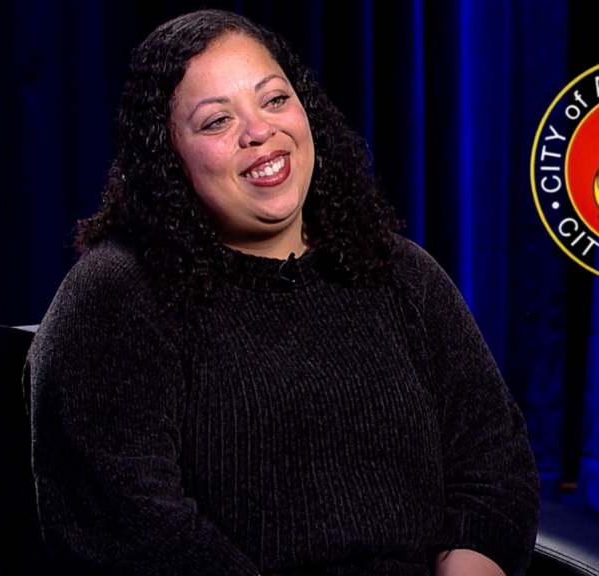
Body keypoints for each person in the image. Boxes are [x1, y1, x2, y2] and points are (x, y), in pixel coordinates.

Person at [27, 9, 539, 576]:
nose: (259, 132)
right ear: (169, 158)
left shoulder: (398, 271)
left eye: (273, 100)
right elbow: (127, 525)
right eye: (217, 121)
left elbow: (494, 465)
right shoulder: (116, 295)